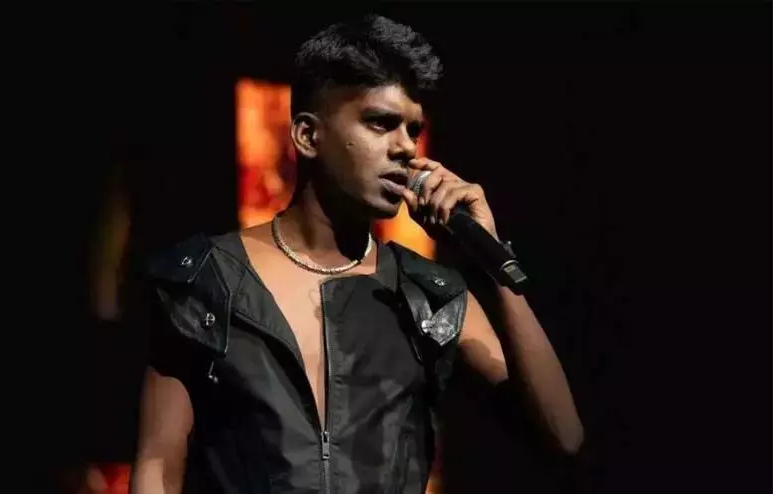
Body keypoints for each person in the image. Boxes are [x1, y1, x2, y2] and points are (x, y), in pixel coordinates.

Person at [129, 14, 583, 494]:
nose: (405, 148)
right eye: (380, 123)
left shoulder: (429, 295)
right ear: (308, 136)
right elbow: (158, 467)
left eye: (413, 129)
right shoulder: (204, 279)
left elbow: (563, 437)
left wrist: (490, 260)